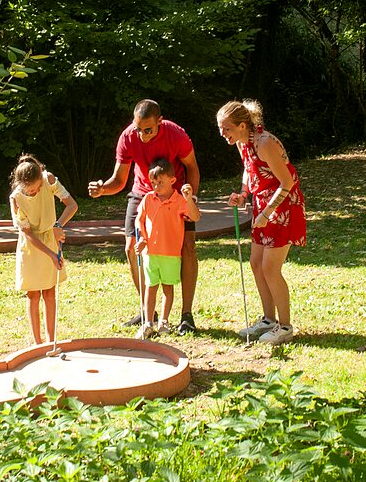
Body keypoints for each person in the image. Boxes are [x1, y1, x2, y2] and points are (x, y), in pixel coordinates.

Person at [88, 99, 202, 334]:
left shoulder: (176, 134)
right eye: (137, 128)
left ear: (160, 122)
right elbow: (119, 181)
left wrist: (191, 198)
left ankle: (186, 315)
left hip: (175, 191)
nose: (141, 135)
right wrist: (102, 189)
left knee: (187, 247)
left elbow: (192, 167)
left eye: (147, 130)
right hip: (142, 193)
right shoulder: (128, 137)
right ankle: (147, 312)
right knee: (131, 246)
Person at [216, 99, 306, 346]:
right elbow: (248, 169)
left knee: (270, 268)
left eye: (227, 129)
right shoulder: (243, 143)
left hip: (282, 205)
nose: (223, 135)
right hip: (263, 205)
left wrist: (267, 212)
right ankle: (268, 319)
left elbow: (287, 182)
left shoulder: (265, 143)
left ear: (243, 125)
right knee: (256, 263)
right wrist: (244, 194)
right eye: (221, 129)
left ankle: (285, 326)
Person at [9, 153, 78, 346]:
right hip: (31, 246)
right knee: (33, 294)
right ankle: (37, 344)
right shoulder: (16, 199)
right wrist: (50, 255)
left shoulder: (49, 180)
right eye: (29, 190)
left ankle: (51, 340)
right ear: (20, 185)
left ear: (41, 178)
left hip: (49, 239)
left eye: (36, 188)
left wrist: (58, 225)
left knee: (49, 291)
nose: (33, 192)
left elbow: (72, 205)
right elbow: (28, 234)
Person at [134, 158, 201, 339]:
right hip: (151, 253)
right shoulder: (148, 199)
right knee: (150, 286)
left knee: (167, 288)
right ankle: (148, 322)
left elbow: (195, 217)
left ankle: (164, 321)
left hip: (171, 254)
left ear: (172, 180)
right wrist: (142, 238)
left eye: (160, 182)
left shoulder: (179, 200)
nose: (156, 186)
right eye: (153, 183)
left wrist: (189, 198)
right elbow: (138, 219)